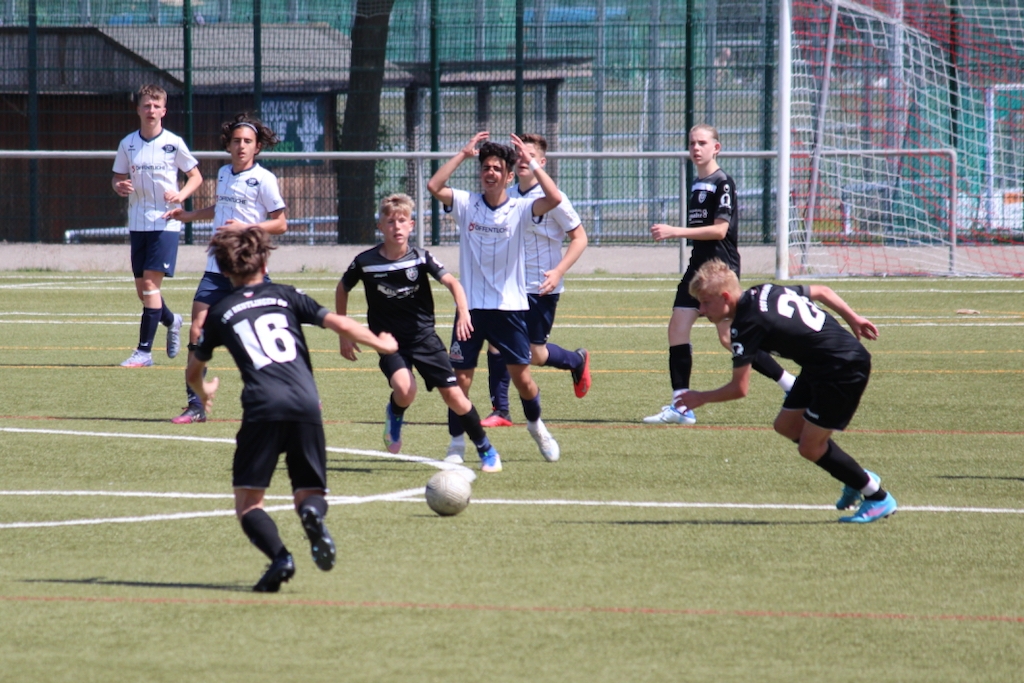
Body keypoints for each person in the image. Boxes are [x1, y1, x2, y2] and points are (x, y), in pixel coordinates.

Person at [186, 226, 398, 592]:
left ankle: (280, 557)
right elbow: (338, 323)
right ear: (264, 262)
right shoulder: (286, 295)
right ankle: (312, 513)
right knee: (308, 490)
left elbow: (193, 369)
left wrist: (203, 391)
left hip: (262, 407)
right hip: (306, 403)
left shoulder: (219, 312)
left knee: (249, 503)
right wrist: (382, 344)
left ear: (224, 269)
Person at [678, 258, 897, 523]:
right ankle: (855, 476)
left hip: (842, 368)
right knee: (786, 425)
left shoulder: (746, 324)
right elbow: (822, 291)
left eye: (705, 302)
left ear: (725, 297)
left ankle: (877, 497)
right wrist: (853, 318)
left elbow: (739, 388)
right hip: (819, 364)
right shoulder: (764, 290)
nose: (701, 310)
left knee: (810, 448)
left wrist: (700, 397)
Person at [336, 194, 502, 471]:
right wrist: (344, 332)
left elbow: (453, 283)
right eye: (391, 222)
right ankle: (395, 413)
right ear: (380, 226)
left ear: (412, 225)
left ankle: (486, 449)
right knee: (404, 389)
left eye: (402, 221)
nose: (397, 227)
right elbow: (342, 288)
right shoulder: (365, 262)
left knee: (454, 397)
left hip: (424, 338)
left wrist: (463, 312)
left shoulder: (420, 258)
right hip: (389, 342)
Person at [644, 123, 795, 425]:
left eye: (702, 143)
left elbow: (720, 230)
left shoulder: (722, 182)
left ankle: (790, 384)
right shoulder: (697, 183)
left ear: (716, 148)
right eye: (692, 143)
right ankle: (681, 407)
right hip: (697, 267)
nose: (695, 148)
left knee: (728, 337)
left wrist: (675, 231)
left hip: (719, 269)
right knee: (677, 328)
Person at [427, 131, 563, 464]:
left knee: (523, 380)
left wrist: (531, 162)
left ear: (508, 176)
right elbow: (434, 186)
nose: (491, 173)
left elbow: (555, 198)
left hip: (509, 309)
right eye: (486, 167)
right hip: (470, 310)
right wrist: (462, 154)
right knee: (459, 381)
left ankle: (536, 426)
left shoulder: (520, 208)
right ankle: (456, 446)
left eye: (498, 169)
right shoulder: (466, 204)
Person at [164, 112, 287, 424]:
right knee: (197, 329)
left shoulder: (265, 179)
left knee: (263, 336)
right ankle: (196, 405)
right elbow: (220, 208)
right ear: (229, 145)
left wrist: (247, 227)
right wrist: (188, 216)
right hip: (216, 267)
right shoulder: (222, 173)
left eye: (247, 141)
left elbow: (281, 223)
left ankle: (293, 391)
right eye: (236, 141)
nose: (241, 146)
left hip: (248, 269)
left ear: (257, 147)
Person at [480, 132, 591, 428]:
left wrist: (558, 271)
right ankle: (500, 411)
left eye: (529, 156)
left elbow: (580, 238)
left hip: (540, 287)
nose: (523, 160)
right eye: (519, 155)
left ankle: (576, 360)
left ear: (541, 163)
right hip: (508, 287)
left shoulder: (553, 198)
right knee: (496, 344)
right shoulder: (508, 196)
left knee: (534, 354)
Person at [113, 84, 203, 368]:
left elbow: (196, 176)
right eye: (146, 105)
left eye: (156, 106)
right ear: (138, 110)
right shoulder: (128, 144)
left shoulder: (173, 143)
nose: (151, 110)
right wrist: (119, 185)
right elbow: (117, 178)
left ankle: (144, 352)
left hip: (166, 223)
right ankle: (172, 320)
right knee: (144, 292)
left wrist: (181, 195)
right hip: (138, 222)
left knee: (151, 285)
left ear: (164, 111)